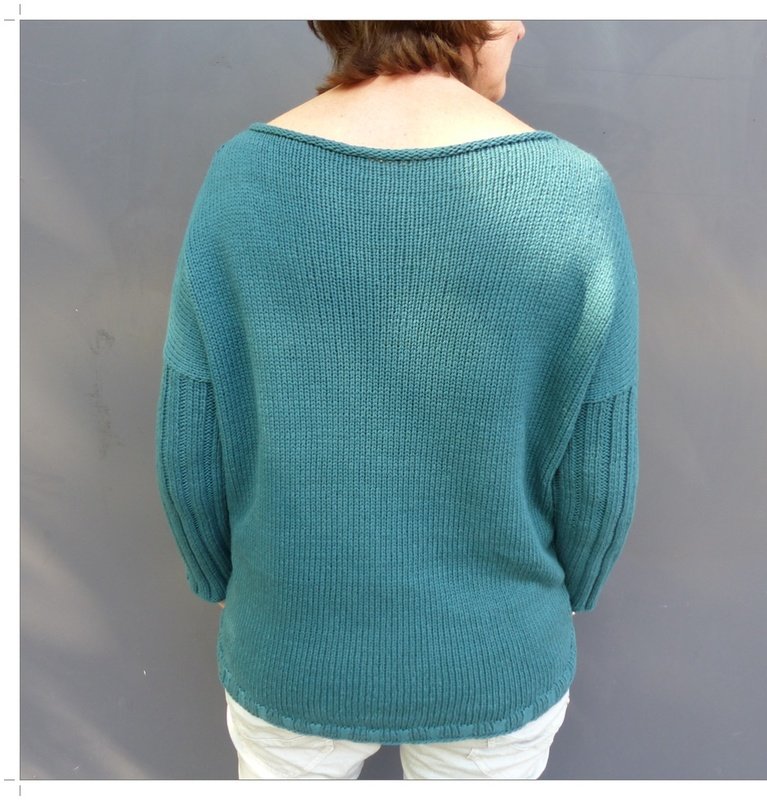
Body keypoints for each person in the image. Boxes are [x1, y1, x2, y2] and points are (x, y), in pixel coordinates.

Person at [155, 19, 639, 780]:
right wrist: (566, 594)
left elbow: (192, 431)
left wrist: (217, 576)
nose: (520, 24)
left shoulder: (242, 175)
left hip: (291, 640)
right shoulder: (571, 189)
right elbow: (597, 461)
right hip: (494, 651)